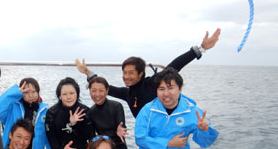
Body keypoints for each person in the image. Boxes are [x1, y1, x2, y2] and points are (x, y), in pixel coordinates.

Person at [75, 29, 221, 118]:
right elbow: (106, 87)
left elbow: (175, 65)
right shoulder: (128, 94)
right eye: (124, 72)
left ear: (141, 74)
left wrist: (201, 49)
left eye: (131, 73)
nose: (126, 76)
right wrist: (86, 72)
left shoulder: (153, 83)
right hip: (146, 136)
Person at [135, 67, 219, 149]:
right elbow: (140, 138)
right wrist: (168, 143)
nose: (166, 93)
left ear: (180, 89)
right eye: (161, 89)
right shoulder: (148, 110)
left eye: (170, 88)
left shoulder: (192, 111)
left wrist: (204, 130)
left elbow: (204, 143)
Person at [0, 77, 52, 149]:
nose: (31, 95)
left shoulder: (44, 111)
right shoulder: (13, 107)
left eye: (34, 91)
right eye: (26, 92)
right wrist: (15, 92)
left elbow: (48, 135)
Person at [45, 77, 95, 149]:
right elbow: (51, 138)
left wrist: (90, 148)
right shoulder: (52, 113)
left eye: (72, 93)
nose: (68, 97)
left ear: (77, 93)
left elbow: (90, 135)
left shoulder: (85, 111)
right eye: (64, 94)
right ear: (59, 95)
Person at [88, 76, 129, 149]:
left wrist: (121, 130)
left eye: (101, 90)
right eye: (94, 90)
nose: (97, 94)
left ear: (107, 91)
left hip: (118, 148)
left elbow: (122, 125)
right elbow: (91, 136)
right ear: (90, 92)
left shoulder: (116, 106)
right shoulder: (90, 111)